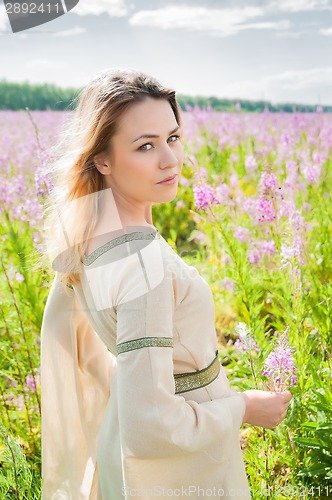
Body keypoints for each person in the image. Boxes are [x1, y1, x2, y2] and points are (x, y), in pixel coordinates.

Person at [40, 68, 292, 500]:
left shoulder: (91, 235)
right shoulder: (143, 267)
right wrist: (245, 407)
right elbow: (150, 427)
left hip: (130, 451)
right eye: (145, 146)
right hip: (173, 474)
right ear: (103, 160)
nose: (170, 159)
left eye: (173, 138)